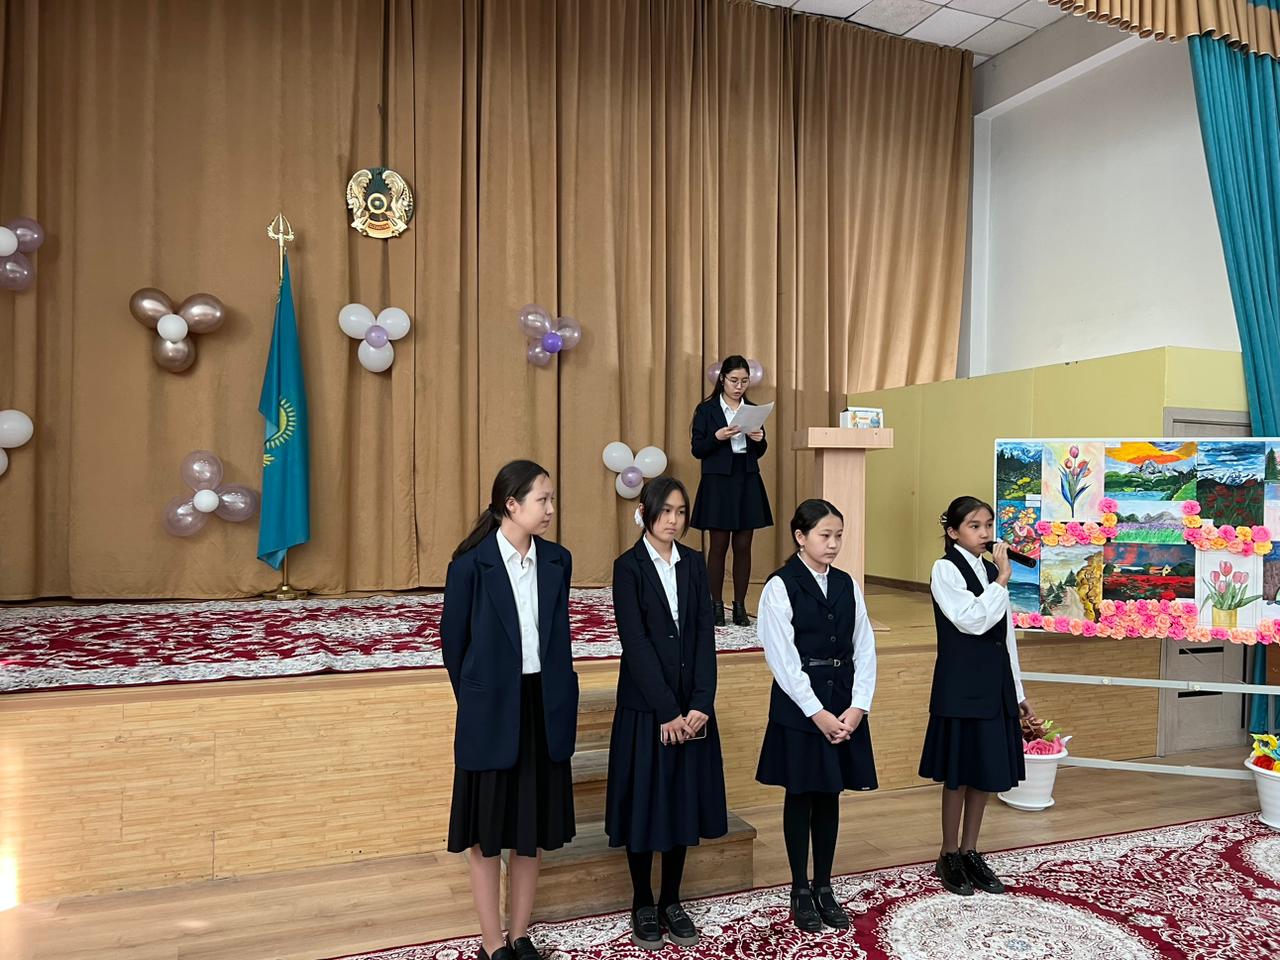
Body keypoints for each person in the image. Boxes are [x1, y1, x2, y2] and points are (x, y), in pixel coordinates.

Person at [442, 460, 578, 960]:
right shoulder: (469, 566)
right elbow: (453, 646)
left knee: (529, 834)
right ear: (511, 505)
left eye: (551, 498)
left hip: (543, 705)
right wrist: (479, 700)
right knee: (486, 837)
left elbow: (558, 637)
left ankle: (519, 935)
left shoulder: (558, 561)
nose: (550, 508)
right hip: (490, 711)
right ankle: (492, 941)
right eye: (542, 499)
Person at [606, 475, 728, 950]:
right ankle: (642, 900)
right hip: (647, 709)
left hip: (690, 706)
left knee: (681, 801)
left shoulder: (694, 563)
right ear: (645, 512)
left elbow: (703, 634)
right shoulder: (628, 567)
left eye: (681, 512)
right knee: (643, 805)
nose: (674, 520)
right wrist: (666, 711)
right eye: (666, 511)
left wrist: (701, 702)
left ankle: (672, 899)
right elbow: (635, 644)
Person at [755, 499, 877, 932]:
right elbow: (782, 658)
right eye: (825, 535)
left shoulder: (846, 584)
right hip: (801, 707)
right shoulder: (780, 585)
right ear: (800, 537)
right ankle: (800, 888)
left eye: (839, 535)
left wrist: (858, 705)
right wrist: (817, 713)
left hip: (843, 700)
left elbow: (864, 645)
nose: (833, 544)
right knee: (801, 794)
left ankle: (824, 885)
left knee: (829, 795)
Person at [919, 495, 1038, 897]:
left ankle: (971, 850)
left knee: (984, 770)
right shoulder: (945, 569)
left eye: (988, 524)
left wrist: (1017, 691)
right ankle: (948, 853)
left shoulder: (989, 570)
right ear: (953, 531)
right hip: (961, 684)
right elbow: (970, 620)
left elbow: (1005, 636)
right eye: (974, 525)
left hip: (994, 682)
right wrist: (1001, 581)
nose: (985, 533)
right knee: (959, 773)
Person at [689, 355, 773, 626]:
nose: (739, 386)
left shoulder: (753, 410)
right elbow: (697, 449)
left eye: (744, 381)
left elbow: (760, 450)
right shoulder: (707, 410)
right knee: (718, 545)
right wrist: (717, 437)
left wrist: (759, 439)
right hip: (718, 481)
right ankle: (715, 605)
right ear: (722, 379)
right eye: (734, 380)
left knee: (744, 545)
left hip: (746, 478)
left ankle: (739, 605)